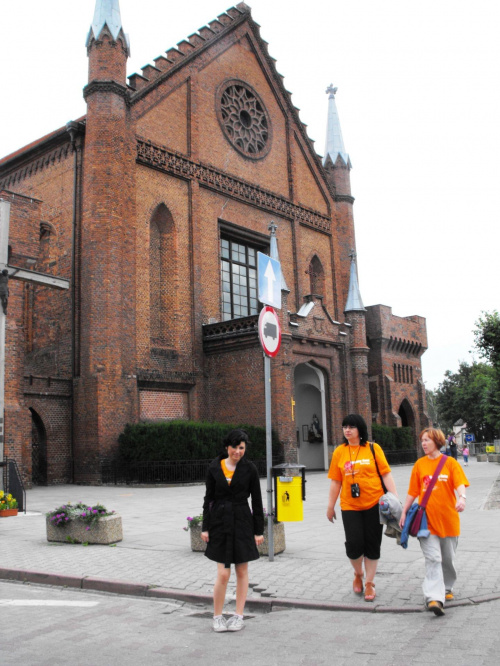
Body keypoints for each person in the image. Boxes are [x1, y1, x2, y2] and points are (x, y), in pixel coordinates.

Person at [326, 414, 398, 602]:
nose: (347, 430)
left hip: (374, 503)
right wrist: (330, 506)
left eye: (351, 426)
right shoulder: (339, 452)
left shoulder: (373, 449)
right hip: (350, 506)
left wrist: (395, 499)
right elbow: (335, 481)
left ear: (360, 429)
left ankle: (370, 583)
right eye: (344, 426)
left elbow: (386, 475)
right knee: (354, 544)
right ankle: (358, 573)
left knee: (373, 544)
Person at [399, 428, 469, 616]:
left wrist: (462, 498)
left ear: (437, 442)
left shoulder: (450, 463)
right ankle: (434, 598)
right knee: (433, 558)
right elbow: (413, 492)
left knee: (448, 559)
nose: (423, 443)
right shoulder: (419, 465)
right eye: (422, 440)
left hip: (448, 520)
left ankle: (446, 587)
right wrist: (404, 512)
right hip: (426, 522)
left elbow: (460, 483)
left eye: (427, 440)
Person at [201, 428, 264, 632]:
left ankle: (238, 615)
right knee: (223, 574)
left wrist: (258, 531)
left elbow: (256, 500)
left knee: (242, 570)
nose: (238, 451)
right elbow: (208, 499)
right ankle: (217, 616)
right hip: (220, 521)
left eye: (242, 448)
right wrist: (205, 527)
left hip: (242, 520)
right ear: (227, 447)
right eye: (235, 447)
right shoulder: (214, 467)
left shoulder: (250, 469)